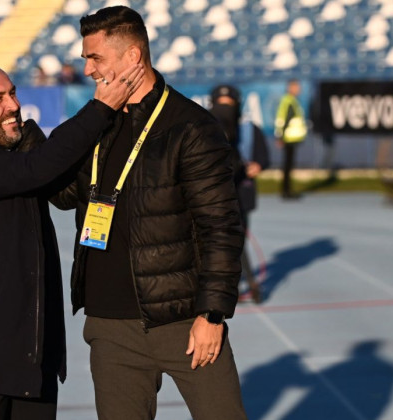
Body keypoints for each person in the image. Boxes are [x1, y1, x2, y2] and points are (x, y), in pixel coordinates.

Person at [52, 6, 247, 420]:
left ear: (132, 57)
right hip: (109, 325)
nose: (87, 70)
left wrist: (212, 314)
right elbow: (62, 192)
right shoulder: (97, 123)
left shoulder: (191, 127)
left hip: (182, 320)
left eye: (95, 58)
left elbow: (220, 227)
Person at [0, 63, 143, 420]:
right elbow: (36, 169)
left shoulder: (9, 151)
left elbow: (62, 191)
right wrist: (100, 109)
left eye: (12, 93)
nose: (13, 105)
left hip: (31, 358)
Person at [209, 84, 270, 304]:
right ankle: (240, 285)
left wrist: (257, 166)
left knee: (237, 241)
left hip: (242, 195)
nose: (225, 111)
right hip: (213, 197)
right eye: (221, 106)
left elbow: (264, 157)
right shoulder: (206, 129)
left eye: (230, 106)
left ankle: (246, 284)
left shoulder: (249, 130)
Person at [274, 79, 307, 199]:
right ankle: (286, 191)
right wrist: (280, 136)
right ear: (290, 88)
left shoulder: (292, 101)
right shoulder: (288, 101)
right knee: (287, 165)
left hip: (291, 138)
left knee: (289, 164)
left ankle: (287, 189)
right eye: (296, 87)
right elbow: (283, 120)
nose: (299, 89)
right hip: (288, 138)